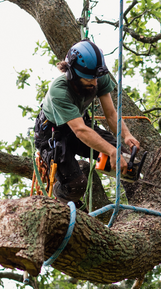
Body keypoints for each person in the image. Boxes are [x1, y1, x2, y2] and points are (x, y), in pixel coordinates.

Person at [34, 39, 140, 204]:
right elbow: (80, 131)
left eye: (96, 78)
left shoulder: (96, 75)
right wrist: (111, 151)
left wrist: (126, 135)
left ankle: (137, 200)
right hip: (53, 134)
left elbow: (111, 114)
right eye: (89, 79)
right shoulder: (59, 90)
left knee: (125, 160)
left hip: (79, 124)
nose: (95, 82)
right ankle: (61, 193)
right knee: (76, 185)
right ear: (72, 74)